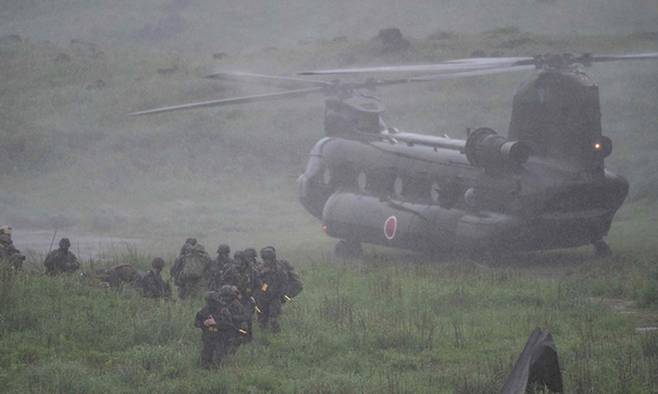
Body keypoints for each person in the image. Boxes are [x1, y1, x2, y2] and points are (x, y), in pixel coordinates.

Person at [194, 286, 249, 368]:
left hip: (221, 339)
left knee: (217, 362)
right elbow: (197, 321)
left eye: (212, 301)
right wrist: (203, 323)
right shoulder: (205, 310)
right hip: (208, 339)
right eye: (208, 301)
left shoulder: (223, 310)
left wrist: (216, 323)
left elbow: (228, 325)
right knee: (204, 362)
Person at [255, 246, 302, 333]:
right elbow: (258, 285)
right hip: (263, 299)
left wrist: (285, 296)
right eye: (265, 259)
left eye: (269, 259)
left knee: (273, 319)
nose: (267, 261)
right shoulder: (259, 269)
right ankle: (264, 337)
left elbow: (291, 283)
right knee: (262, 322)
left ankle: (276, 336)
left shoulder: (280, 268)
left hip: (276, 297)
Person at [221, 251, 259, 340]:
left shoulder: (252, 271)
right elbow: (222, 282)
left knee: (247, 318)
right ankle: (234, 338)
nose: (237, 261)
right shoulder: (231, 270)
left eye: (239, 259)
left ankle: (247, 338)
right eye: (236, 259)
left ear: (244, 260)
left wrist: (256, 296)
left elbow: (260, 285)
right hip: (232, 299)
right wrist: (230, 288)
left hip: (247, 299)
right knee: (233, 318)